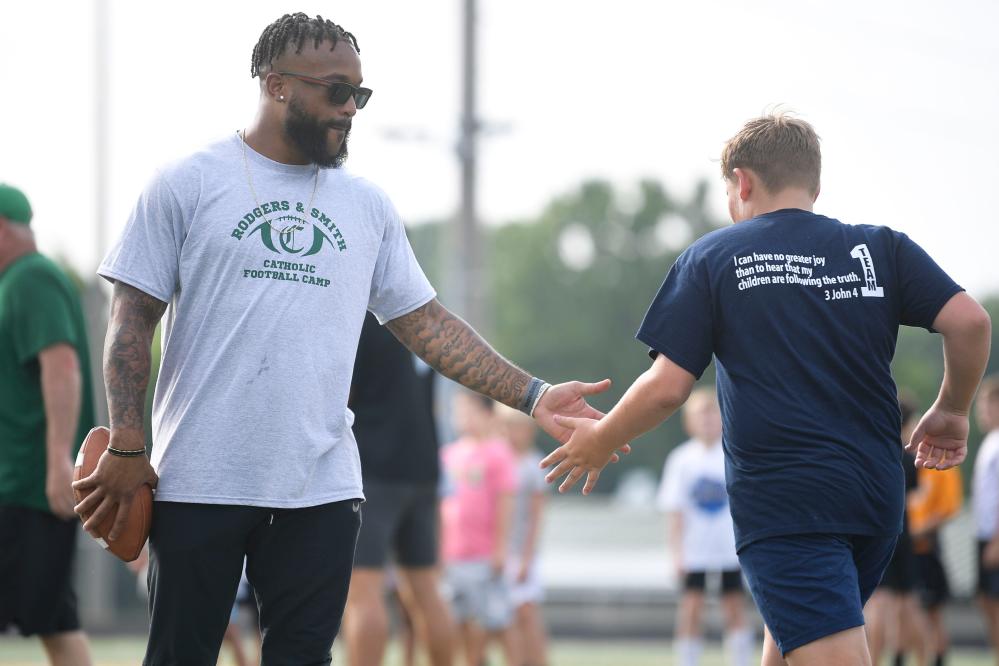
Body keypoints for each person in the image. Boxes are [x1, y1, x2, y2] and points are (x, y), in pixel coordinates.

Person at [70, 14, 614, 665]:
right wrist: (128, 441)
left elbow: (427, 324)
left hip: (320, 488)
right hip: (201, 479)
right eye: (335, 90)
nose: (350, 107)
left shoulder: (366, 206)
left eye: (360, 93)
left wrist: (532, 395)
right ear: (275, 85)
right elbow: (130, 321)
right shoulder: (186, 183)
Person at [541, 112, 992, 666]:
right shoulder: (880, 249)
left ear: (742, 182)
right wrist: (952, 409)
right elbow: (970, 322)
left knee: (830, 653)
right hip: (874, 498)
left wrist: (602, 437)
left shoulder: (714, 256)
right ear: (815, 186)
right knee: (791, 639)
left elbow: (667, 387)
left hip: (790, 501)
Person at [0, 183, 95, 665]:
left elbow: (62, 366)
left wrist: (59, 461)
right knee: (56, 620)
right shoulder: (16, 282)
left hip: (27, 487)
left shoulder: (30, 278)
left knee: (56, 621)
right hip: (19, 486)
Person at [343, 311, 455, 666]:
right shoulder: (421, 317)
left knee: (363, 592)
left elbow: (339, 392)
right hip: (422, 468)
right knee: (425, 590)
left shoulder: (360, 316)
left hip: (372, 469)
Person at [656, 388, 750, 666]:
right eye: (700, 416)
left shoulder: (733, 455)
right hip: (695, 549)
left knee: (733, 607)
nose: (707, 421)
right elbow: (675, 511)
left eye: (712, 415)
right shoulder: (681, 460)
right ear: (689, 422)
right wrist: (676, 554)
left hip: (730, 548)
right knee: (691, 609)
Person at [441, 392, 519, 666]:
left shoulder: (498, 453)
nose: (461, 418)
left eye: (468, 411)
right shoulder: (448, 454)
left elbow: (505, 503)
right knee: (456, 620)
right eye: (457, 411)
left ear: (487, 414)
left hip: (484, 555)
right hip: (453, 555)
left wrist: (500, 548)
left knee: (493, 621)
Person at [864, 397, 929, 666]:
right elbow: (917, 496)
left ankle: (874, 660)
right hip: (906, 531)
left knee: (879, 604)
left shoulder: (878, 451)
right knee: (910, 604)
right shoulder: (911, 458)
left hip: (883, 530)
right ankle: (923, 659)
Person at [496, 405, 550, 666]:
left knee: (526, 614)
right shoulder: (498, 462)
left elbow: (536, 517)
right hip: (499, 551)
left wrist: (527, 557)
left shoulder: (533, 465)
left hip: (520, 551)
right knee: (505, 620)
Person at [908, 446, 963, 666]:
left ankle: (936, 659)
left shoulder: (942, 465)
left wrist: (920, 530)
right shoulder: (911, 464)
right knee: (911, 611)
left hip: (927, 548)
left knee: (931, 612)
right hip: (910, 549)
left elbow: (949, 508)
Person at [972, 376, 999, 664]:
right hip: (984, 534)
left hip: (994, 536)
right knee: (986, 601)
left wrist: (996, 540)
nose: (981, 412)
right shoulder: (990, 441)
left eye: (986, 405)